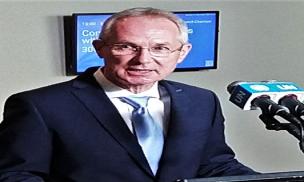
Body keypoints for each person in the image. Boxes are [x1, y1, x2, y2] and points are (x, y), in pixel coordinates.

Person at [0, 7, 258, 182]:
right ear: (100, 48)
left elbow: (215, 165)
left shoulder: (202, 101)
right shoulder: (39, 106)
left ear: (182, 53)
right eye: (127, 47)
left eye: (160, 48)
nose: (143, 60)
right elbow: (16, 176)